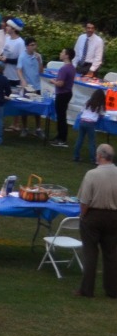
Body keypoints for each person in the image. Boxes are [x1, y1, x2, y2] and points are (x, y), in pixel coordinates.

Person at [76, 143, 117, 299]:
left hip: (94, 216)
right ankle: (112, 290)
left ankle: (87, 290)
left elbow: (84, 200)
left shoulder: (92, 174)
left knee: (90, 253)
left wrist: (83, 215)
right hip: (114, 217)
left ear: (100, 156)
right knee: (111, 253)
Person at [51, 48, 78, 147]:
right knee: (62, 116)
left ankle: (62, 138)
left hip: (62, 94)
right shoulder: (72, 67)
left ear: (67, 55)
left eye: (62, 52)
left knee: (61, 117)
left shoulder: (64, 68)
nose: (60, 53)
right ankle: (60, 136)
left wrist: (53, 81)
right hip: (67, 93)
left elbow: (60, 84)